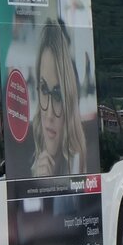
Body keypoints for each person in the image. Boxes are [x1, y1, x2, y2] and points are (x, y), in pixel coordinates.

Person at [30, 20, 87, 177]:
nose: (49, 115)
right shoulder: (25, 154)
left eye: (57, 95)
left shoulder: (79, 162)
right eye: (43, 89)